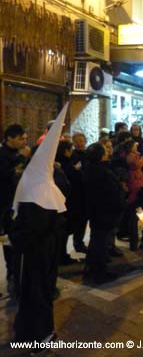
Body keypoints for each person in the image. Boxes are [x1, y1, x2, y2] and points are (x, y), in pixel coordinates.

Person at [10, 105, 68, 345]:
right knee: (36, 293)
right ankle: (37, 335)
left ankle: (36, 332)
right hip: (37, 252)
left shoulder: (40, 184)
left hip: (42, 251)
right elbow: (34, 227)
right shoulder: (38, 188)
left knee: (39, 293)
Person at [83, 143, 125, 284]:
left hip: (96, 212)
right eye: (105, 151)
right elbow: (112, 194)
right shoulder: (103, 172)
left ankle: (91, 268)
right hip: (105, 213)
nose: (108, 152)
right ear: (100, 155)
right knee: (100, 243)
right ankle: (98, 272)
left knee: (96, 241)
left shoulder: (89, 168)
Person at [0, 124, 28, 297]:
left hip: (18, 202)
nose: (24, 141)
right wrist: (20, 159)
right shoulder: (3, 155)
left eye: (25, 138)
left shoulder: (18, 154)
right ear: (9, 138)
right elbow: (6, 175)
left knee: (16, 238)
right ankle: (12, 271)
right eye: (20, 138)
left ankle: (16, 270)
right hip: (5, 205)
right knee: (8, 239)